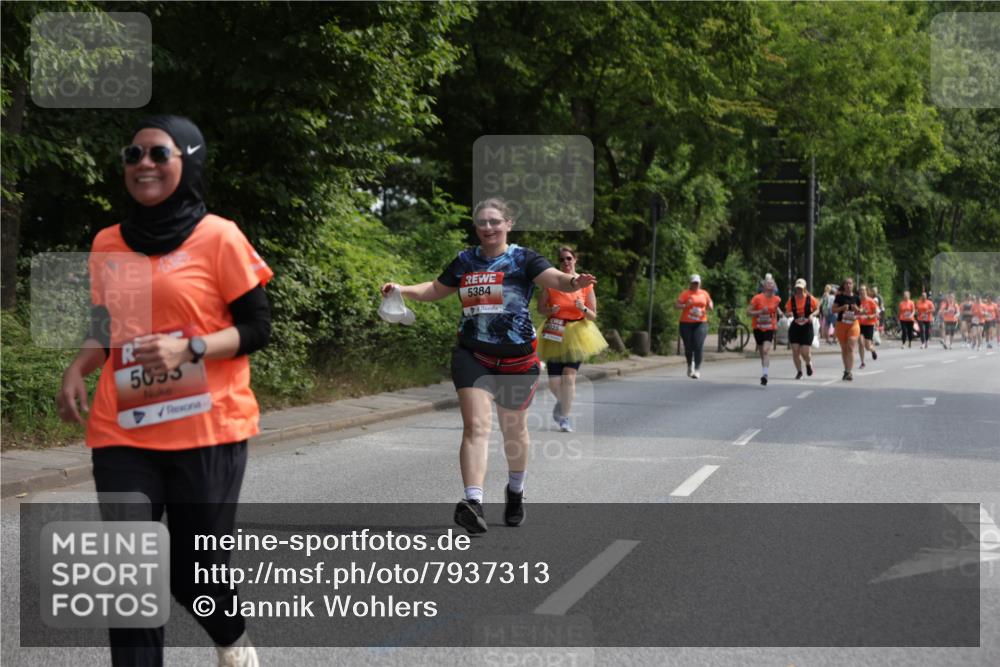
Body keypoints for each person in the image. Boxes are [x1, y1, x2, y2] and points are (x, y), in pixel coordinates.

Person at [55, 116, 272, 667]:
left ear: (188, 161)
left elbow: (257, 328)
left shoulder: (219, 236)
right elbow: (107, 323)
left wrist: (191, 349)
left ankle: (230, 637)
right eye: (133, 155)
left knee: (193, 571)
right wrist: (78, 367)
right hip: (122, 429)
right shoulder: (107, 243)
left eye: (158, 153)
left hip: (207, 428)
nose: (142, 163)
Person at [381, 198, 596, 534]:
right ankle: (473, 502)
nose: (488, 228)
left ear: (508, 223)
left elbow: (554, 279)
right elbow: (436, 289)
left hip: (517, 359)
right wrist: (403, 289)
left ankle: (515, 491)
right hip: (473, 355)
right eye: (482, 222)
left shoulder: (524, 258)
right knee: (476, 427)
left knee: (514, 432)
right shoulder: (465, 261)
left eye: (495, 221)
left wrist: (574, 283)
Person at [537, 245, 608, 431]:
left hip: (578, 332)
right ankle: (562, 403)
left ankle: (564, 417)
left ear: (575, 259)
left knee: (569, 377)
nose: (566, 262)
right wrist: (549, 310)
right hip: (554, 331)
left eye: (569, 258)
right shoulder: (551, 283)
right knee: (554, 383)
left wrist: (582, 308)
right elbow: (540, 308)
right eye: (562, 259)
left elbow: (593, 315)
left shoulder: (585, 285)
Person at [674, 274, 713, 379]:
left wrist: (710, 306)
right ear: (690, 283)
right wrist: (685, 305)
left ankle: (697, 369)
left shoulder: (704, 293)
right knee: (688, 346)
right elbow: (676, 305)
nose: (696, 285)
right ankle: (689, 365)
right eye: (694, 283)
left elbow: (710, 303)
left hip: (701, 322)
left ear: (700, 283)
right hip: (686, 323)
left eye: (697, 283)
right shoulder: (685, 294)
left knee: (698, 344)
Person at [748, 277, 783, 386]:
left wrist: (783, 314)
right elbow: (748, 312)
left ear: (774, 286)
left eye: (772, 283)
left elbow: (777, 309)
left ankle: (765, 375)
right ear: (764, 286)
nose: (770, 285)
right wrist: (760, 311)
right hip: (758, 327)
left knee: (766, 350)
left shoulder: (777, 299)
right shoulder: (757, 298)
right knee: (762, 352)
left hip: (770, 327)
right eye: (768, 283)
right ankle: (764, 369)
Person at [784, 278, 818, 379]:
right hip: (796, 327)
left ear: (804, 288)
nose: (799, 290)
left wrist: (812, 315)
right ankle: (799, 371)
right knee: (795, 350)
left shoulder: (809, 298)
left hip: (807, 327)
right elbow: (787, 311)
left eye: (801, 288)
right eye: (797, 288)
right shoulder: (792, 300)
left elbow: (817, 309)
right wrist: (788, 314)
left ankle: (808, 364)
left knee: (805, 352)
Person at [832, 277, 862, 381]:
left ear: (853, 285)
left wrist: (857, 309)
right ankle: (846, 370)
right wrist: (841, 308)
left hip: (853, 324)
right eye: (846, 284)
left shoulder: (857, 298)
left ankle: (849, 372)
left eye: (850, 283)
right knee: (844, 349)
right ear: (844, 286)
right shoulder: (839, 297)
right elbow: (833, 310)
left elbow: (860, 312)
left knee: (850, 347)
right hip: (841, 324)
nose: (848, 285)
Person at [857, 285, 879, 368]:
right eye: (860, 290)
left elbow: (876, 313)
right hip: (859, 324)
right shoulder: (858, 301)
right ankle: (862, 362)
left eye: (863, 290)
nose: (862, 291)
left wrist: (870, 316)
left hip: (869, 325)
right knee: (860, 343)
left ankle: (872, 350)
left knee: (867, 346)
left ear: (866, 291)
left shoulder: (871, 301)